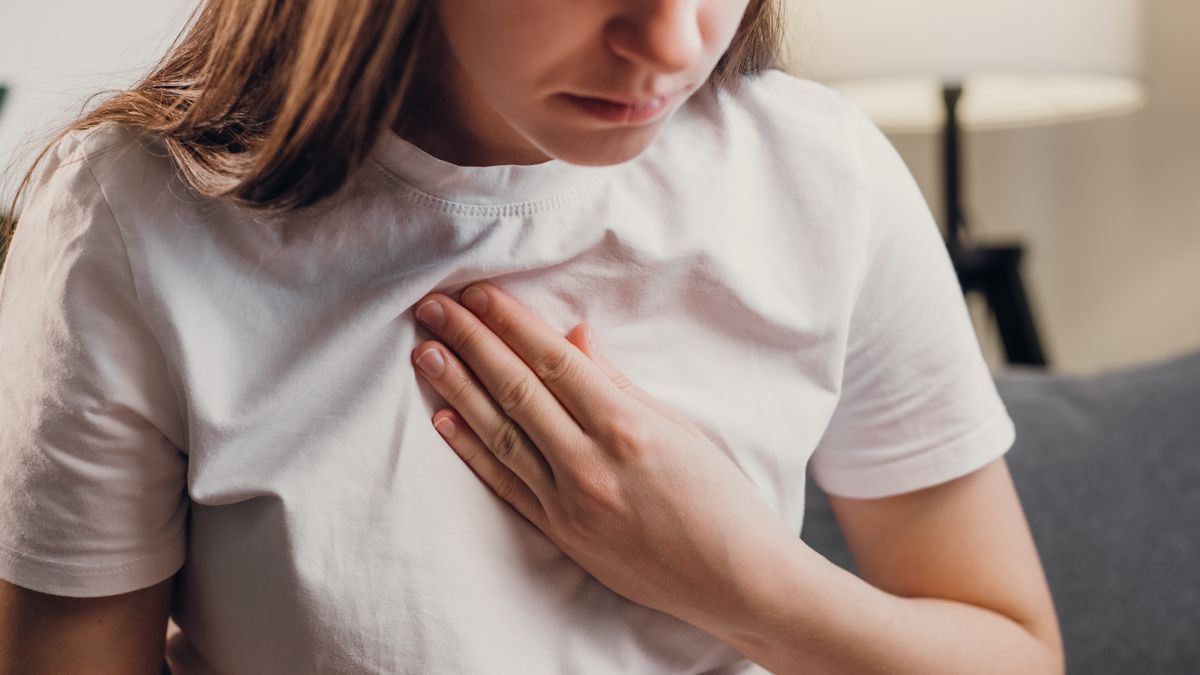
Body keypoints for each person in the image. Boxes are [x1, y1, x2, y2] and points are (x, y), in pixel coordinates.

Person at [0, 0, 1065, 673]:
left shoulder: (822, 177)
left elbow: (1014, 652)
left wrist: (737, 582)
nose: (672, 40)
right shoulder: (133, 217)